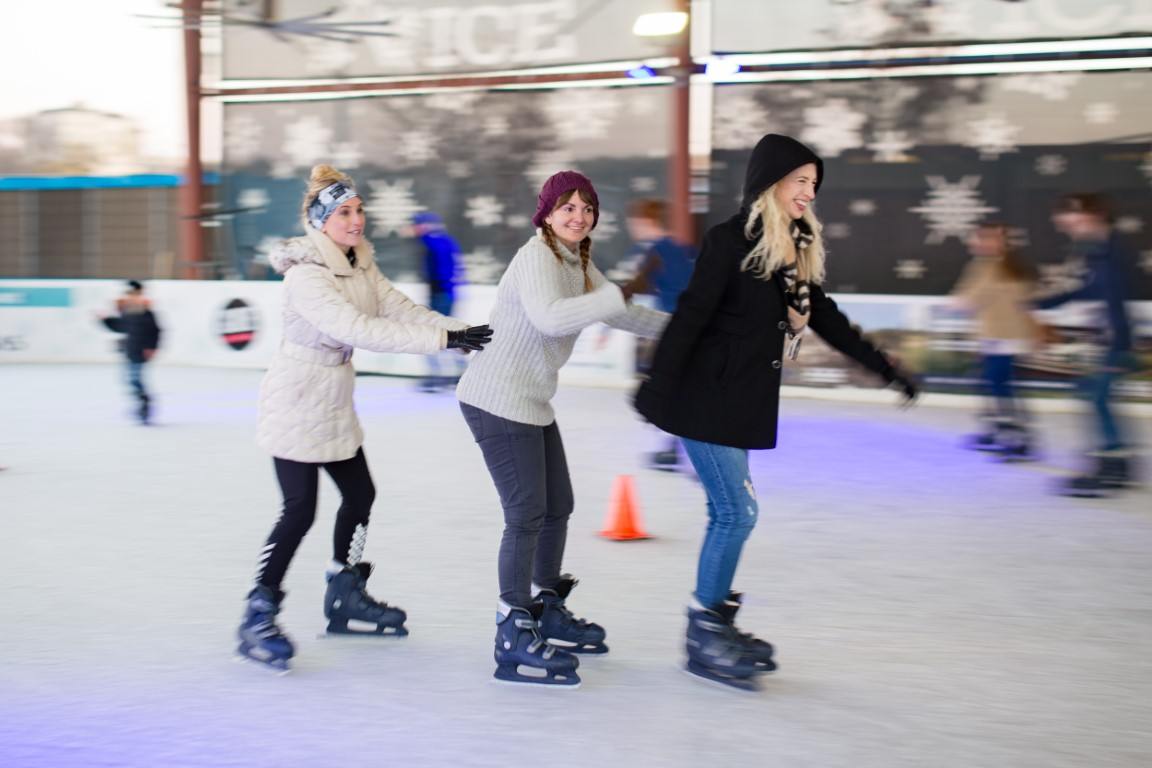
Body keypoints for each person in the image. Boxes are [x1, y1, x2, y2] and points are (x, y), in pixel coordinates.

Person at [634, 134, 919, 690]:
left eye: (815, 184)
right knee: (735, 513)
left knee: (734, 512)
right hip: (702, 399)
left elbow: (826, 318)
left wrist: (884, 366)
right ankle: (703, 629)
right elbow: (691, 316)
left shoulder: (795, 247)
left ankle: (712, 619)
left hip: (739, 402)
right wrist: (657, 386)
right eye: (800, 182)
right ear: (772, 182)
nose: (809, 193)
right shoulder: (729, 241)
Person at [238, 164, 492, 672]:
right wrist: (443, 342)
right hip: (296, 397)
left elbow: (398, 309)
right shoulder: (307, 277)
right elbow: (361, 328)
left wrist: (463, 332)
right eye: (345, 213)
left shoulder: (359, 264)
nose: (356, 221)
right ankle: (257, 612)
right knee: (299, 510)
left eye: (359, 211)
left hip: (333, 397)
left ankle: (344, 591)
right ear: (319, 221)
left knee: (360, 494)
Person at [455, 170, 669, 687]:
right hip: (496, 398)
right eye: (568, 207)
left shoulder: (578, 260)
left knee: (558, 506)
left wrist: (685, 332)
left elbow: (620, 314)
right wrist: (616, 293)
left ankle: (546, 605)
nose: (579, 216)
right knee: (527, 512)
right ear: (547, 213)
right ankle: (512, 628)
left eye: (588, 207)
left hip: (533, 400)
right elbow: (552, 318)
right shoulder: (536, 257)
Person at [1037, 193, 1138, 497]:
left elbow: (1114, 299)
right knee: (1096, 398)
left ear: (1092, 217)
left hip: (1114, 338)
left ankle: (1110, 469)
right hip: (1107, 337)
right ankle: (1116, 465)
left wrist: (1119, 344)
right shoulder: (1100, 253)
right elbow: (1088, 289)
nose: (1070, 232)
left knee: (1097, 399)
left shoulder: (1111, 253)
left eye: (1073, 224)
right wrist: (1043, 302)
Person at [951, 223, 1042, 461]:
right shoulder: (984, 265)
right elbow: (971, 294)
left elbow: (972, 297)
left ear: (1000, 242)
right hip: (992, 335)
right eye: (976, 239)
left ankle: (1019, 439)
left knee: (1001, 385)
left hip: (1008, 336)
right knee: (989, 382)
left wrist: (960, 302)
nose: (976, 243)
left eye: (984, 239)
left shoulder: (1003, 267)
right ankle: (997, 430)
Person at [622, 199, 696, 471]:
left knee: (657, 392)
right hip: (695, 329)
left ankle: (676, 449)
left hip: (670, 331)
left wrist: (602, 307)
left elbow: (635, 286)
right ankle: (678, 448)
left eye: (635, 224)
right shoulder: (687, 249)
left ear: (644, 223)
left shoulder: (655, 251)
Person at [409, 210, 465, 392]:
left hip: (441, 294)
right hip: (444, 293)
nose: (414, 229)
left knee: (434, 335)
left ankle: (440, 376)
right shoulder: (444, 240)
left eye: (416, 225)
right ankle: (457, 375)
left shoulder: (434, 241)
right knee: (446, 334)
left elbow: (442, 269)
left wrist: (440, 290)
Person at [98, 280, 161, 425]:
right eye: (129, 293)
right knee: (128, 379)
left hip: (140, 351)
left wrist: (152, 347)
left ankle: (144, 405)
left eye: (133, 293)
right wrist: (105, 320)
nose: (130, 296)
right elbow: (121, 327)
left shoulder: (146, 312)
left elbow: (156, 331)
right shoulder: (127, 311)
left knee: (134, 379)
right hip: (130, 350)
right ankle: (142, 404)